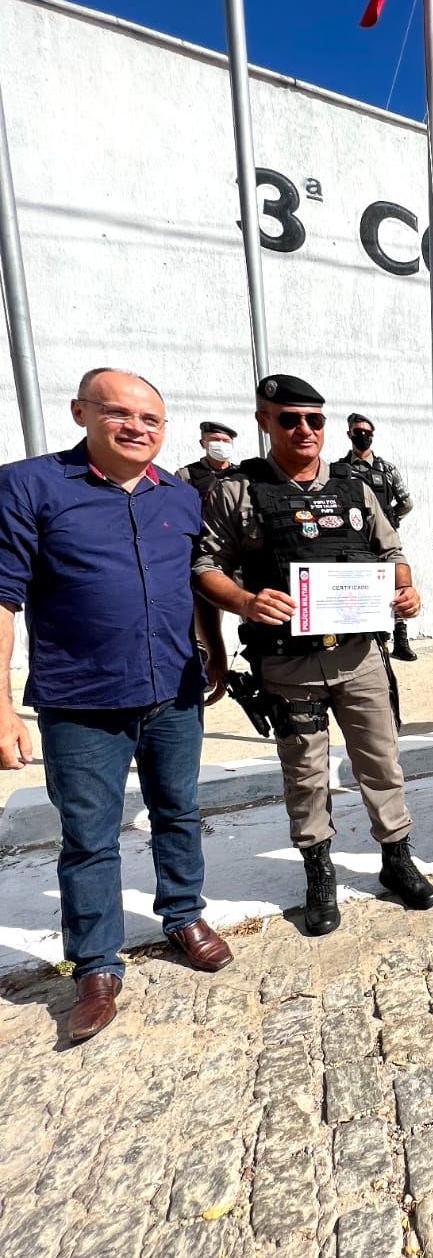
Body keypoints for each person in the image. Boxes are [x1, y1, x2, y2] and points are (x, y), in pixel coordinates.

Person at [0, 369, 233, 1043]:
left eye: (152, 420)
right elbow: (4, 599)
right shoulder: (29, 486)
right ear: (82, 413)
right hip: (82, 702)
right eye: (119, 413)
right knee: (90, 838)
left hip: (174, 692)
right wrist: (2, 708)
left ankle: (184, 916)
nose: (136, 428)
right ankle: (97, 965)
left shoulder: (182, 497)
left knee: (179, 812)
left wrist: (212, 649)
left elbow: (192, 583)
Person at [195, 374, 433, 933]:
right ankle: (318, 872)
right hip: (288, 662)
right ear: (264, 422)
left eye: (314, 419)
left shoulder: (356, 486)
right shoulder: (237, 490)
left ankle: (397, 861)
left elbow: (391, 549)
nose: (305, 430)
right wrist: (247, 602)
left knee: (381, 761)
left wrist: (405, 589)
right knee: (305, 773)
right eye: (289, 419)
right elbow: (203, 568)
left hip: (359, 657)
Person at [343, 411, 418, 660]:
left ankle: (401, 640)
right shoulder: (340, 470)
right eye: (358, 432)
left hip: (384, 541)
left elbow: (406, 502)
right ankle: (377, 640)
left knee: (397, 586)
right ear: (349, 435)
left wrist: (390, 519)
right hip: (356, 543)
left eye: (367, 433)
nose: (362, 436)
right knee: (364, 589)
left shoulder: (386, 469)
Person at [176, 421, 240, 497]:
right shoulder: (186, 475)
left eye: (226, 441)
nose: (221, 444)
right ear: (202, 443)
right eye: (215, 439)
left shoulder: (241, 474)